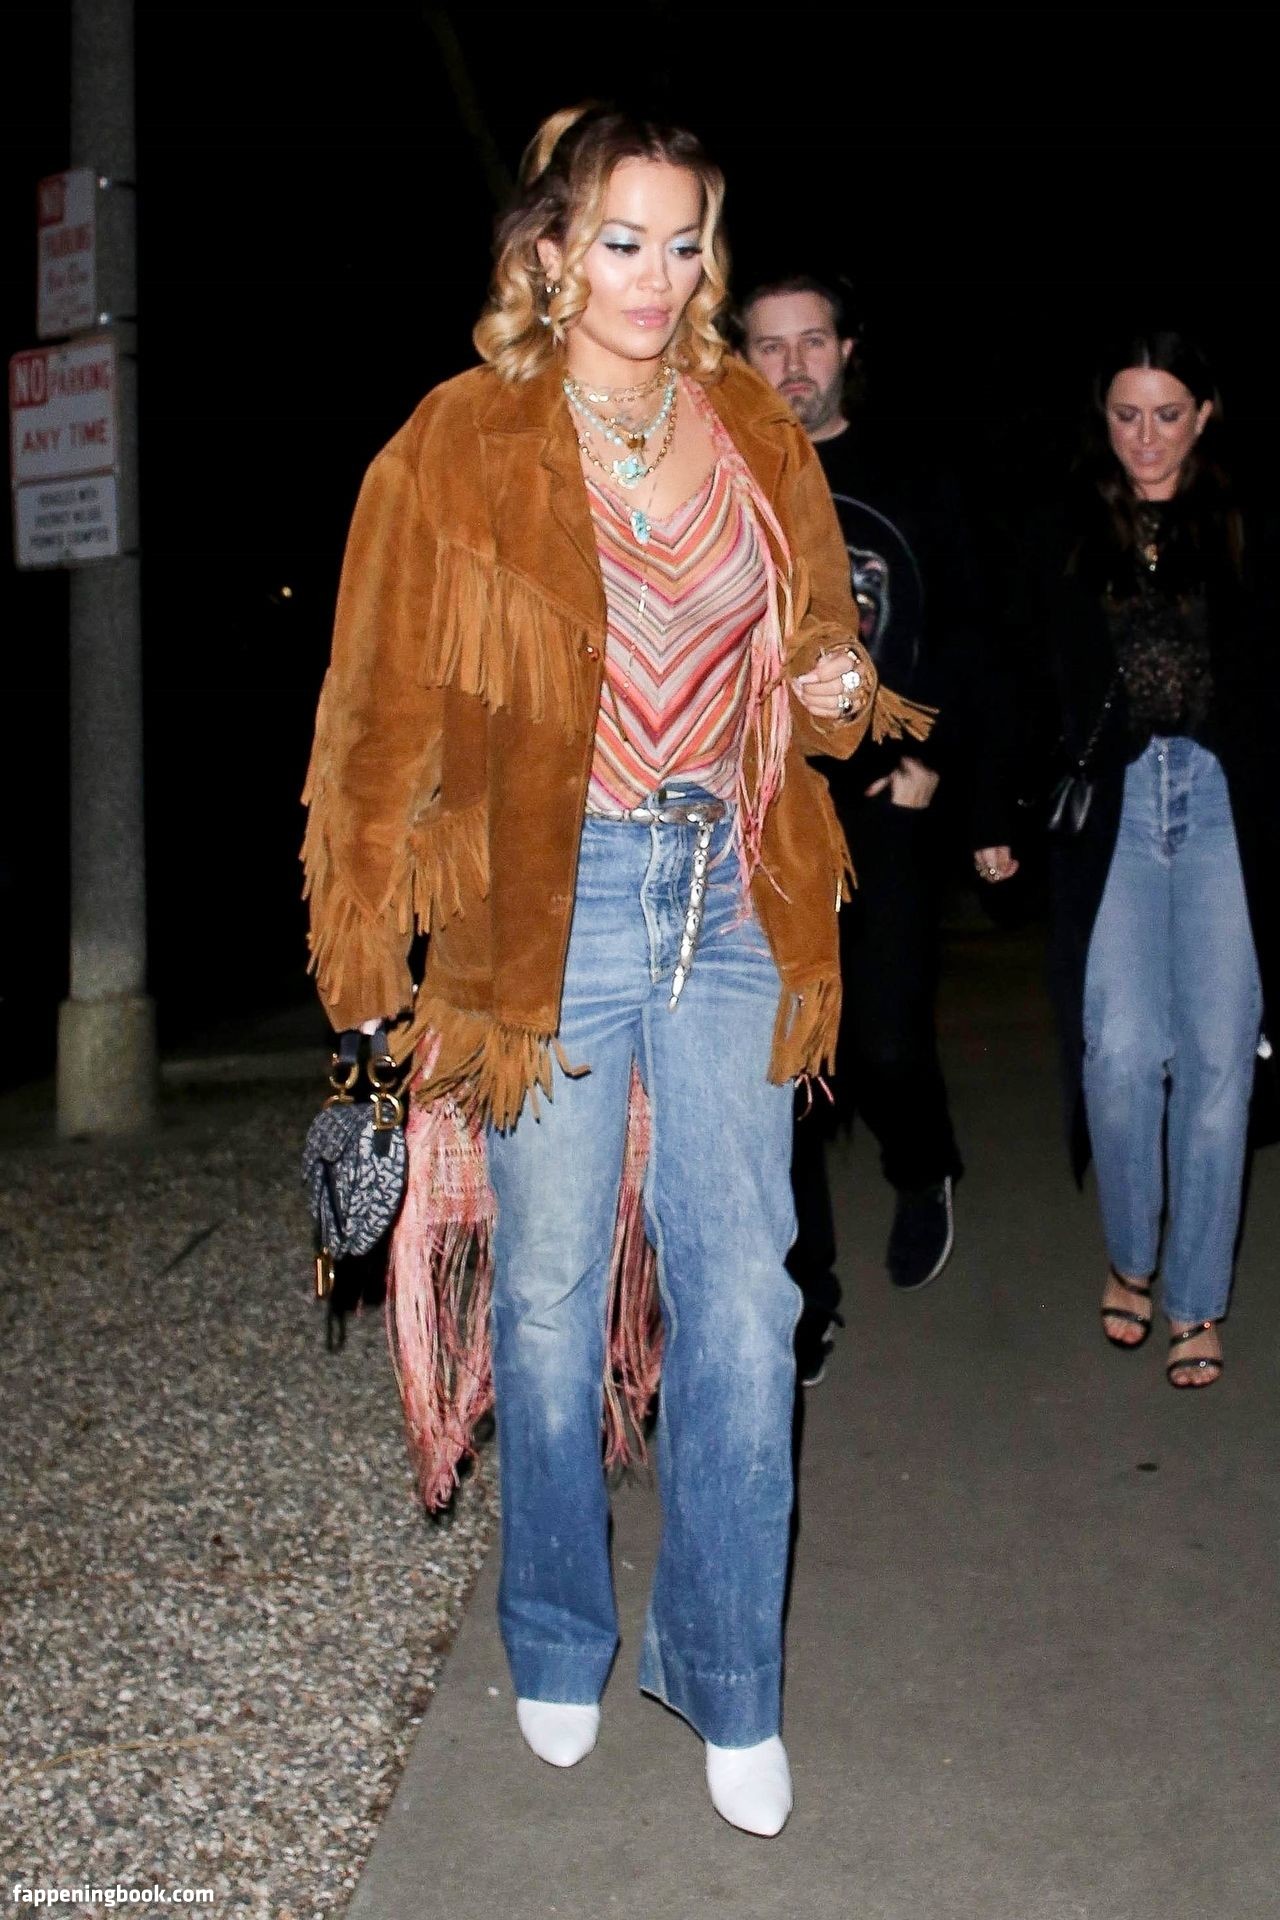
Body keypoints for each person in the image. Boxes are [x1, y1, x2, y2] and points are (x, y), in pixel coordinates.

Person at [301, 106, 931, 1835]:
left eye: (684, 242)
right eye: (622, 240)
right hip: (548, 908)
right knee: (551, 1293)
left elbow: (822, 660)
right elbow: (369, 728)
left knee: (749, 1297)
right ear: (551, 251)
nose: (655, 278)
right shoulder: (456, 442)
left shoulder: (753, 427)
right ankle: (560, 1632)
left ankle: (731, 1676)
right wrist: (363, 980)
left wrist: (833, 688)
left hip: (729, 896)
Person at [976, 328, 1278, 1389]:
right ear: (1101, 418)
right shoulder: (1063, 529)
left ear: (1204, 415)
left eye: (1167, 414)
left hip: (1224, 805)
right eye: (1125, 415)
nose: (1145, 437)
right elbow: (1014, 672)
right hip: (1115, 808)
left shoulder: (1245, 525)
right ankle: (1128, 1254)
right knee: (1118, 1053)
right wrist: (992, 808)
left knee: (1217, 1064)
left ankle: (1194, 1299)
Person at [739, 274, 991, 1378]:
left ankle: (922, 1162)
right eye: (769, 346)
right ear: (740, 358)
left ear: (845, 349)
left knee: (882, 1041)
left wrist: (934, 757)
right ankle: (805, 1301)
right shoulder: (724, 474)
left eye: (812, 341)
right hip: (761, 811)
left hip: (886, 798)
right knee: (778, 1068)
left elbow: (967, 632)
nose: (793, 366)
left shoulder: (913, 478)